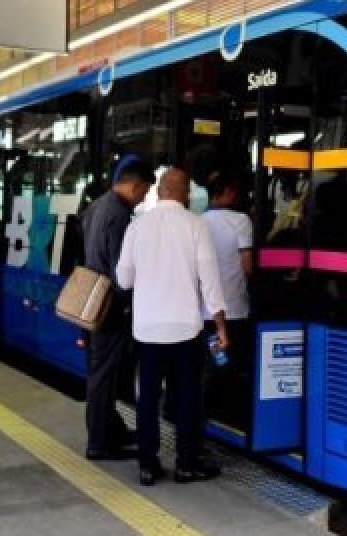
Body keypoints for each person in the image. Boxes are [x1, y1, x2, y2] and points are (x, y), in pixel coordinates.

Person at [116, 167, 229, 486]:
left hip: (147, 330)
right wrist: (220, 325)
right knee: (186, 397)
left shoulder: (137, 226)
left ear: (160, 191)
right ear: (182, 193)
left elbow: (123, 278)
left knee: (148, 398)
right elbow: (210, 279)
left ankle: (148, 466)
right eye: (190, 191)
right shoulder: (196, 225)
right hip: (185, 330)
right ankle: (185, 464)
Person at [79, 156, 154, 461]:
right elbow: (122, 269)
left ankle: (111, 430)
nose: (144, 197)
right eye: (145, 191)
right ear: (135, 185)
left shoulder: (97, 206)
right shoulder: (121, 216)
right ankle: (100, 443)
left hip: (92, 298)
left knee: (99, 372)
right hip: (109, 305)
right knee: (105, 375)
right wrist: (128, 305)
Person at [201, 171, 254, 426]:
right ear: (229, 192)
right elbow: (247, 265)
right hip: (233, 309)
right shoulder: (241, 221)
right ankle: (221, 413)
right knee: (225, 364)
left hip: (205, 311)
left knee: (211, 362)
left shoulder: (198, 221)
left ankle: (203, 414)